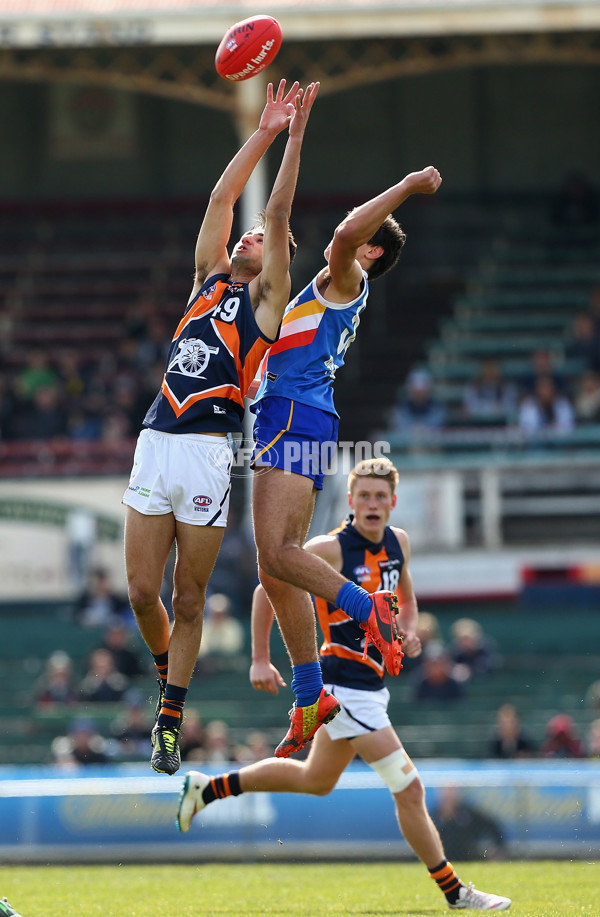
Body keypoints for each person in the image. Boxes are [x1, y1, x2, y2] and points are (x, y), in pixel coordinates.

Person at [177, 457, 511, 912]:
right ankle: (455, 892)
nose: (372, 504)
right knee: (409, 789)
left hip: (371, 688)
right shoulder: (330, 548)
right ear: (350, 500)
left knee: (317, 779)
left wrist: (409, 631)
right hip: (341, 687)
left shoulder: (399, 543)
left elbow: (407, 600)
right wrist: (259, 658)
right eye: (364, 495)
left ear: (393, 502)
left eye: (380, 496)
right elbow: (266, 586)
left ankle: (207, 788)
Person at [121, 79, 319, 775]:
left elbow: (277, 206)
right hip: (157, 441)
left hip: (208, 451)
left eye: (265, 238)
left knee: (188, 595)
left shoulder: (265, 306)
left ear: (275, 264)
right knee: (142, 593)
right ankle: (167, 683)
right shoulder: (206, 279)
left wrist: (293, 142)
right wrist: (262, 131)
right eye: (251, 230)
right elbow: (219, 200)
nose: (251, 233)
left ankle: (169, 719)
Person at [249, 167, 442, 757]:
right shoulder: (335, 289)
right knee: (274, 569)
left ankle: (368, 609)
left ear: (372, 251)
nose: (349, 238)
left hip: (293, 413)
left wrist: (406, 186)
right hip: (300, 416)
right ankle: (311, 695)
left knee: (277, 556)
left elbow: (340, 235)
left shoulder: (346, 274)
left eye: (365, 235)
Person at [431, 786, 506, 862]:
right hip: (441, 861)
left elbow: (491, 825)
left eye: (452, 791)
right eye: (446, 791)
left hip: (468, 858)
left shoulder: (469, 814)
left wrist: (497, 847)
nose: (449, 795)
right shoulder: (433, 816)